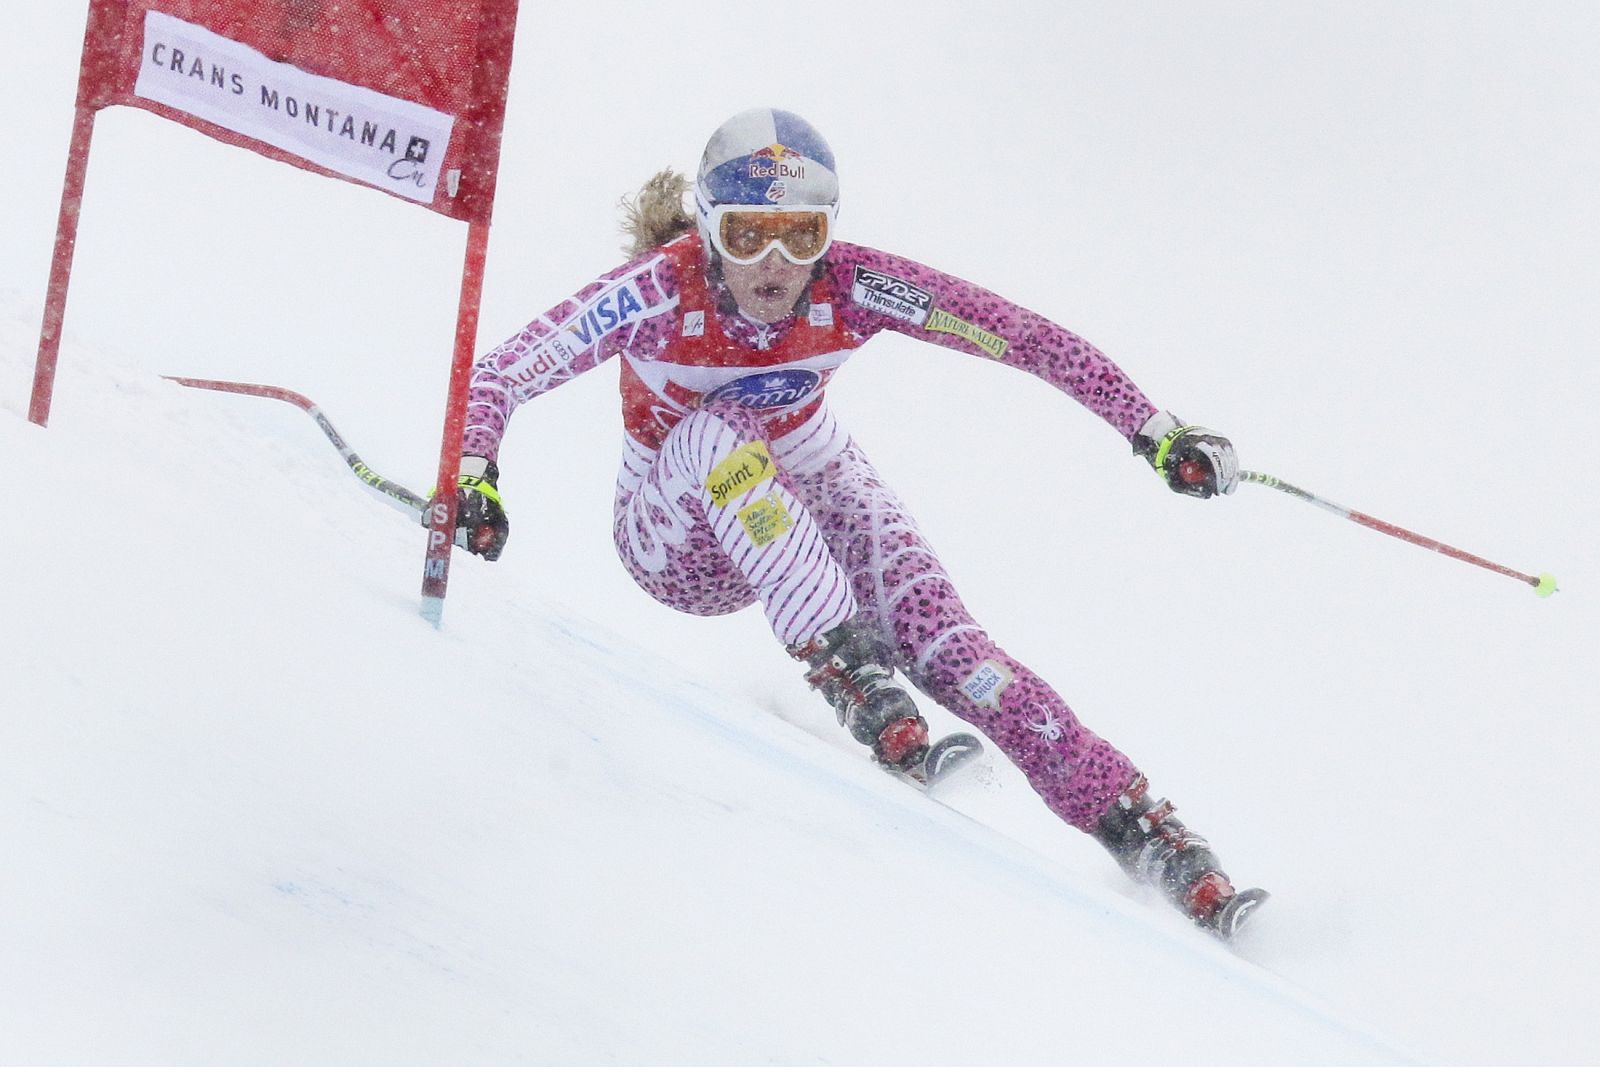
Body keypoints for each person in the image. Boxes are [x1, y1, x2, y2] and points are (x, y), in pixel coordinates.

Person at [453, 108, 1265, 937]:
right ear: (706, 229)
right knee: (723, 426)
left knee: (949, 642)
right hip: (677, 537)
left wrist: (1152, 430)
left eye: (801, 236)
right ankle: (844, 664)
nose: (775, 265)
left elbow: (1018, 337)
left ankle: (1140, 826)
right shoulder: (656, 292)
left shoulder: (855, 284)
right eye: (748, 235)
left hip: (799, 482)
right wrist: (476, 475)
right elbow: (499, 376)